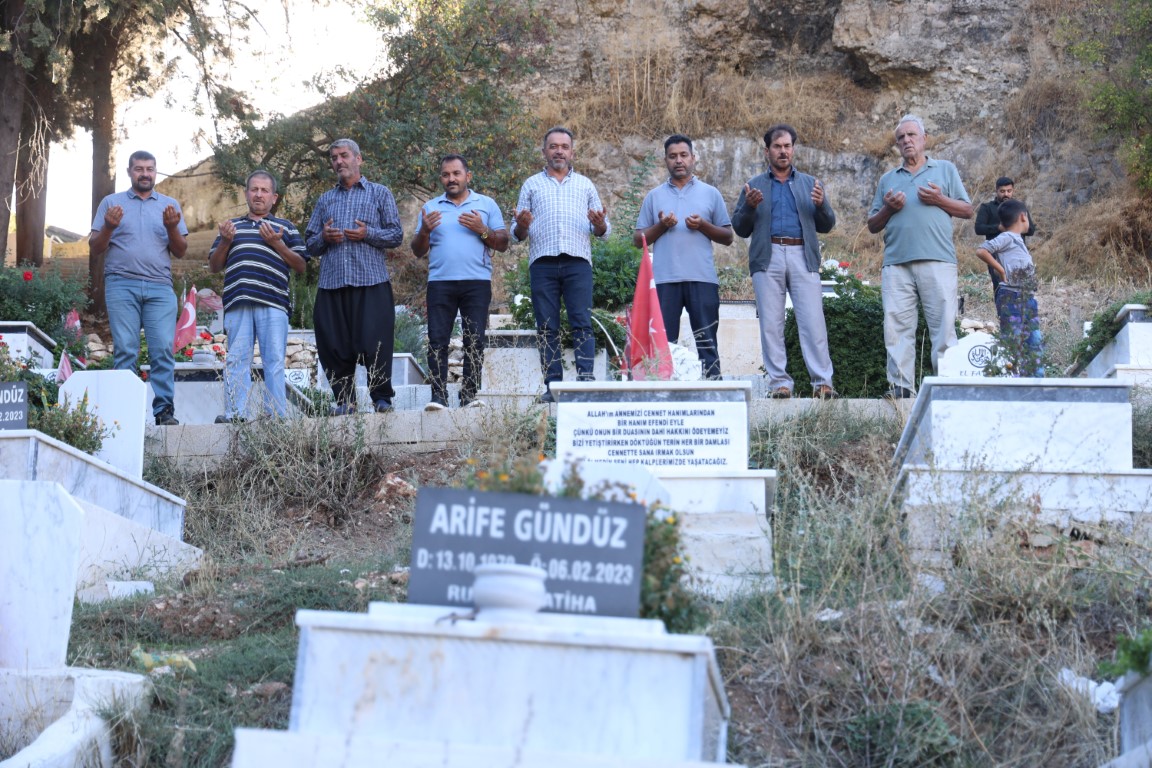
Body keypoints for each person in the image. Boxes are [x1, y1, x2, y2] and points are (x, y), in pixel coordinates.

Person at [867, 114, 973, 399]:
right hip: (896, 264)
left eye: (912, 135)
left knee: (943, 325)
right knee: (896, 327)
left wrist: (939, 200)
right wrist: (888, 209)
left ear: (924, 139)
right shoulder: (888, 179)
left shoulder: (945, 170)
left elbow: (967, 210)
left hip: (938, 259)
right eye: (901, 138)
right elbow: (873, 225)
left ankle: (948, 385)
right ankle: (901, 388)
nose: (906, 141)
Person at [731, 124, 837, 399]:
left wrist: (822, 203)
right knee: (771, 323)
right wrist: (749, 207)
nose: (783, 151)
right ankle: (779, 382)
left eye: (787, 146)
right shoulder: (753, 185)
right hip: (768, 258)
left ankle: (822, 383)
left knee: (813, 321)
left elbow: (827, 225)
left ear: (793, 149)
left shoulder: (810, 184)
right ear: (767, 151)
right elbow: (740, 229)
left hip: (803, 255)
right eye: (777, 147)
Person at [511, 126, 610, 403]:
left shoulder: (586, 185)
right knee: (546, 326)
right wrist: (521, 226)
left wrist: (600, 224)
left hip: (578, 263)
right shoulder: (531, 185)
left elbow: (603, 232)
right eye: (553, 146)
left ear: (572, 152)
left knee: (581, 322)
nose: (558, 151)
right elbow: (517, 235)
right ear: (544, 151)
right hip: (542, 264)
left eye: (564, 147)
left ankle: (586, 382)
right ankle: (553, 386)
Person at [90, 150, 189, 426]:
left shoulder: (169, 205)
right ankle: (125, 413)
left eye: (149, 169)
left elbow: (181, 251)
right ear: (129, 171)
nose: (144, 174)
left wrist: (171, 227)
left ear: (156, 172)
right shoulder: (112, 202)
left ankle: (164, 411)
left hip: (159, 288)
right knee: (125, 349)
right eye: (139, 169)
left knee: (162, 351)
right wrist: (109, 226)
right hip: (121, 285)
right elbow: (96, 248)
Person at [305, 138, 403, 414]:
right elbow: (310, 243)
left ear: (358, 159)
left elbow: (396, 235)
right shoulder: (325, 199)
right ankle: (344, 401)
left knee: (377, 343)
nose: (338, 161)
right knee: (333, 345)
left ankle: (381, 399)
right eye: (334, 157)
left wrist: (367, 233)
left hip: (371, 281)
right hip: (332, 283)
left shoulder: (380, 193)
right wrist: (324, 237)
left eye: (344, 155)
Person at [208, 170, 309, 423]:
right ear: (246, 193)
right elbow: (214, 266)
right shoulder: (231, 227)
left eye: (265, 191)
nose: (259, 194)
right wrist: (225, 241)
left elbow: (301, 266)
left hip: (274, 303)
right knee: (237, 359)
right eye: (254, 189)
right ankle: (235, 414)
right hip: (238, 301)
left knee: (273, 360)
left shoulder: (286, 227)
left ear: (274, 197)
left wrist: (278, 244)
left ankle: (275, 415)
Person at [411, 154, 509, 410]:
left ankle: (469, 395)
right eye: (446, 174)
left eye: (456, 173)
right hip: (440, 283)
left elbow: (503, 243)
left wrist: (481, 229)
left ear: (468, 176)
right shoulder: (431, 207)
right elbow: (417, 251)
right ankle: (438, 397)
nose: (451, 178)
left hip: (476, 282)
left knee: (474, 339)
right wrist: (424, 231)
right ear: (441, 178)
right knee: (436, 340)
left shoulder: (486, 204)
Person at [634, 134, 733, 380]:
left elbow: (728, 236)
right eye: (673, 156)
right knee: (664, 344)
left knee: (707, 341)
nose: (679, 160)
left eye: (683, 155)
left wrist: (703, 226)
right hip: (665, 280)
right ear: (665, 160)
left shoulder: (711, 193)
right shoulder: (654, 196)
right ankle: (664, 392)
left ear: (693, 158)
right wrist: (661, 226)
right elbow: (638, 240)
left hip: (702, 278)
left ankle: (712, 390)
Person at [975, 198, 1043, 375]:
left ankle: (1035, 378)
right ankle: (1015, 378)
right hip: (1011, 296)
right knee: (1013, 342)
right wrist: (1001, 270)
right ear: (1023, 216)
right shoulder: (1007, 237)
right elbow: (982, 250)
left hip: (1026, 297)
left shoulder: (1018, 240)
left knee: (1033, 340)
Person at [974, 176, 1036, 292]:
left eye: (1009, 191)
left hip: (1018, 255)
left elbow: (1031, 230)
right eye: (1002, 191)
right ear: (996, 191)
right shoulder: (987, 207)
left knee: (1023, 287)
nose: (1006, 194)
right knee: (1000, 286)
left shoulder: (1018, 207)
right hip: (996, 255)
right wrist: (998, 228)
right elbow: (979, 228)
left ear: (1013, 191)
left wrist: (1014, 228)